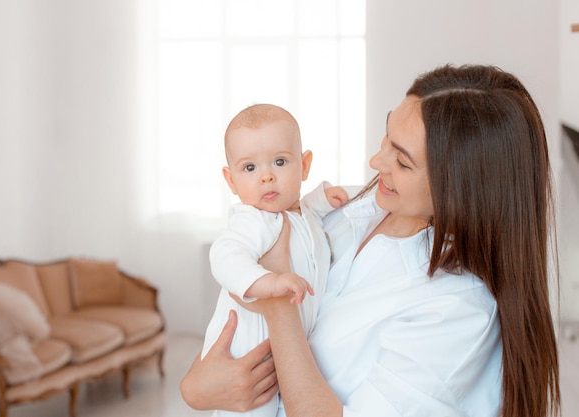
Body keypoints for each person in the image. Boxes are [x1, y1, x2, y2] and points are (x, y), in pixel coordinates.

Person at [181, 64, 561, 417]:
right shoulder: (348, 210)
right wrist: (195, 389)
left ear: (460, 188)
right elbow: (225, 349)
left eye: (403, 160)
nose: (376, 161)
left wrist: (279, 307)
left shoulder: (457, 308)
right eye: (387, 135)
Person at [202, 103, 349, 417]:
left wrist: (321, 201)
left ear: (305, 165)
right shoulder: (252, 220)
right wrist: (269, 281)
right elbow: (224, 255)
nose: (267, 177)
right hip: (247, 352)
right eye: (250, 168)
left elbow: (302, 217)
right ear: (231, 181)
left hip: (287, 349)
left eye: (280, 162)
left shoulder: (297, 213)